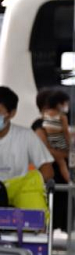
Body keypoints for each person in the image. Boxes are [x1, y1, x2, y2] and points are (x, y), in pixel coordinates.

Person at [33, 89, 71, 230]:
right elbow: (42, 147)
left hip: (61, 173)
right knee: (50, 211)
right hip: (49, 173)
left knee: (62, 209)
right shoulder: (40, 124)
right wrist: (63, 154)